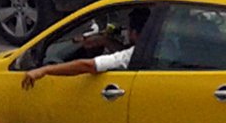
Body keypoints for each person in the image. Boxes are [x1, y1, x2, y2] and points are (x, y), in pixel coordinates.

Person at [21, 6, 150, 89]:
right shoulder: (158, 46)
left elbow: (89, 66)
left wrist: (45, 70)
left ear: (133, 33)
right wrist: (105, 41)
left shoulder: (133, 54)